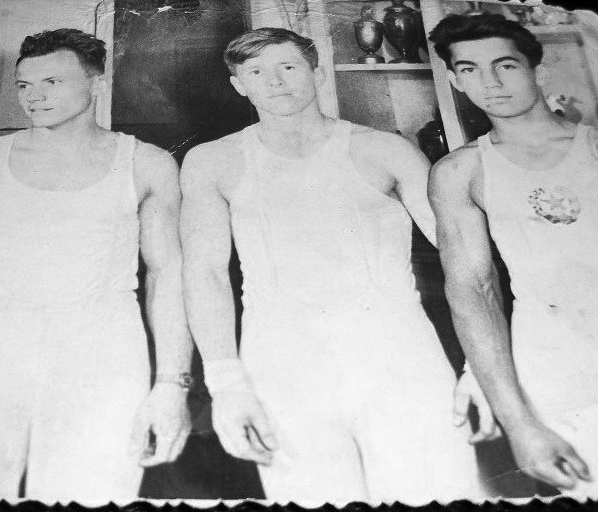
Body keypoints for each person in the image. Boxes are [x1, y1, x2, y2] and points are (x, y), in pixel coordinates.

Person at [0, 28, 193, 500]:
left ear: (97, 83)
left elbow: (166, 276)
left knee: (92, 494)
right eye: (24, 85)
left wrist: (171, 385)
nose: (34, 97)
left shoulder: (146, 164)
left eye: (52, 82)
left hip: (102, 349)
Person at [180, 27, 482, 503]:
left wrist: (479, 365)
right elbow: (205, 274)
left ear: (317, 73)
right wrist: (226, 383)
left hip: (398, 360)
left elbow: (463, 258)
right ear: (239, 85)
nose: (276, 81)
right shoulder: (211, 161)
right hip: (284, 365)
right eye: (256, 72)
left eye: (288, 67)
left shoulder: (385, 150)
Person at [429, 13, 597, 497]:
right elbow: (473, 294)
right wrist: (519, 423)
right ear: (455, 81)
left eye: (505, 65)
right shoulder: (459, 172)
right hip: (555, 369)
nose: (491, 83)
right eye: (470, 69)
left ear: (537, 71)